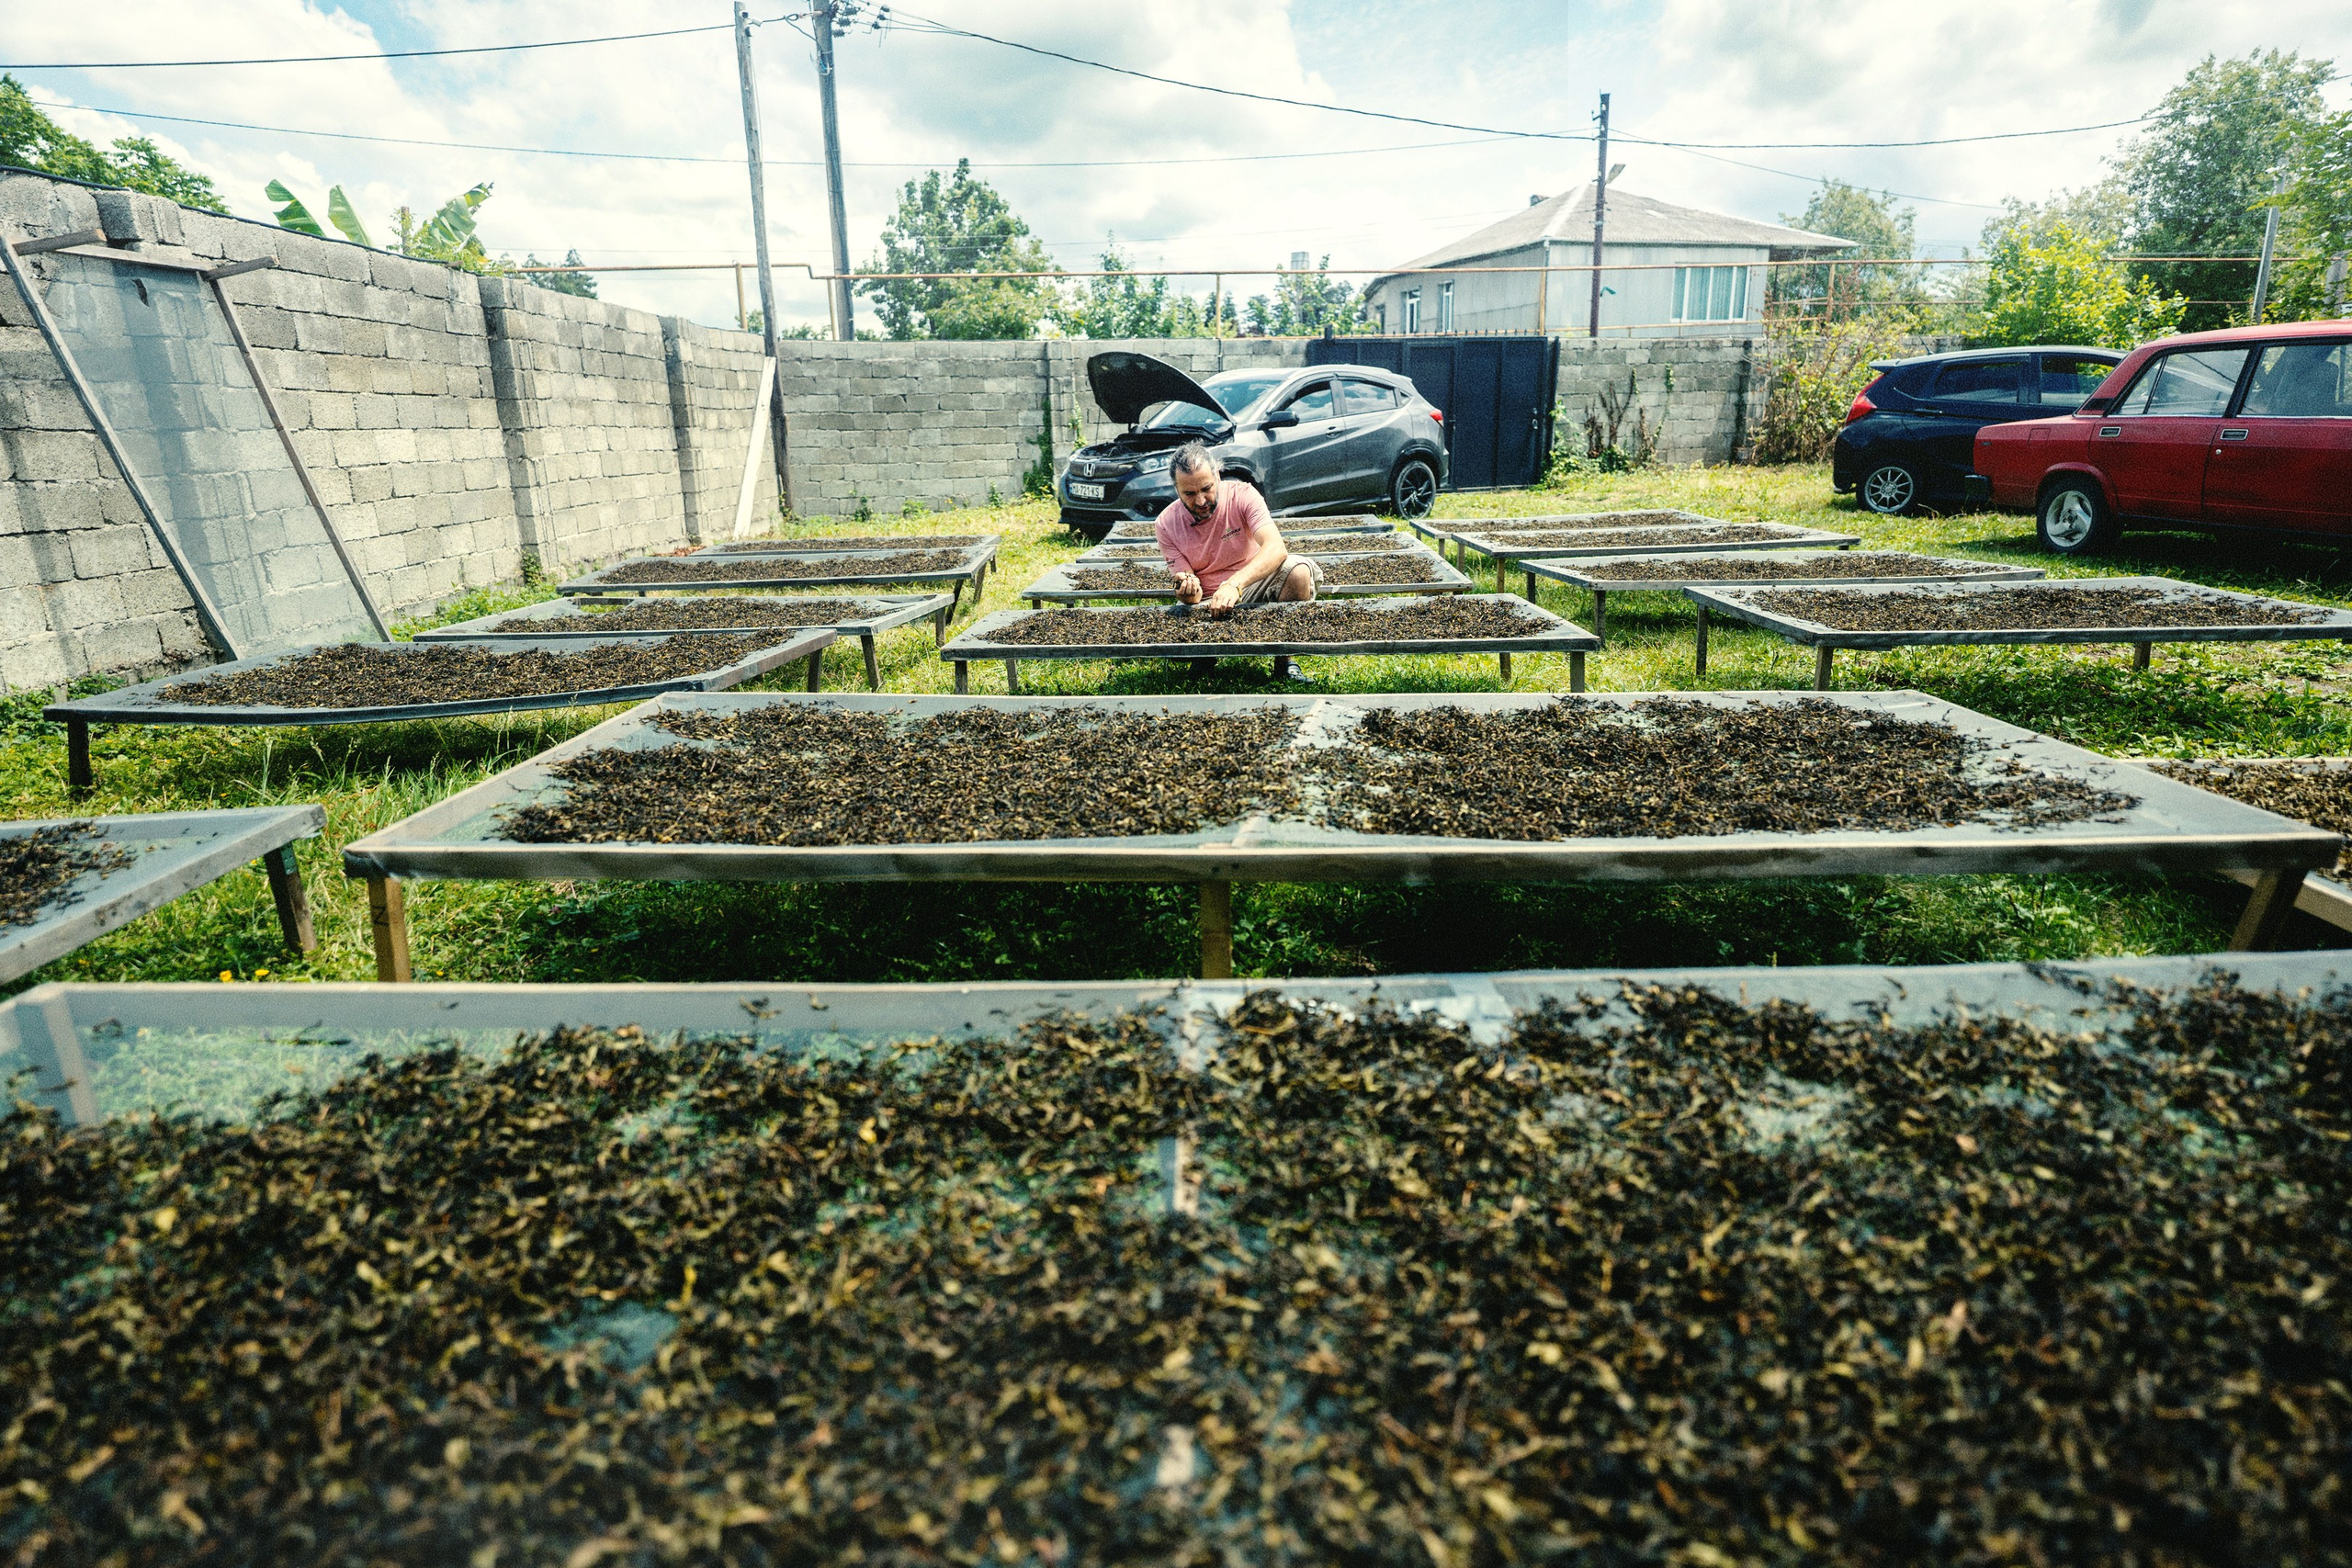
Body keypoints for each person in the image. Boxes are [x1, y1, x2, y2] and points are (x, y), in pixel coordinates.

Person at [1155, 442, 1322, 614]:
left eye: (1206, 488)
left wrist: (1234, 584)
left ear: (1217, 476)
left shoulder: (1243, 495)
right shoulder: (1166, 524)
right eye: (1189, 494)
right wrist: (1186, 590)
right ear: (1177, 489)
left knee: (1299, 571)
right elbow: (1193, 597)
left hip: (1253, 586)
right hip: (1207, 601)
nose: (1201, 501)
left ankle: (1282, 630)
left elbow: (1276, 548)